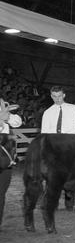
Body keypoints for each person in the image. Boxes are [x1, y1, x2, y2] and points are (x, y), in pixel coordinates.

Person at [0, 98, 22, 230]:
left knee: (1, 191)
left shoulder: (3, 106)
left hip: (4, 154)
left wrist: (6, 117)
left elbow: (17, 122)